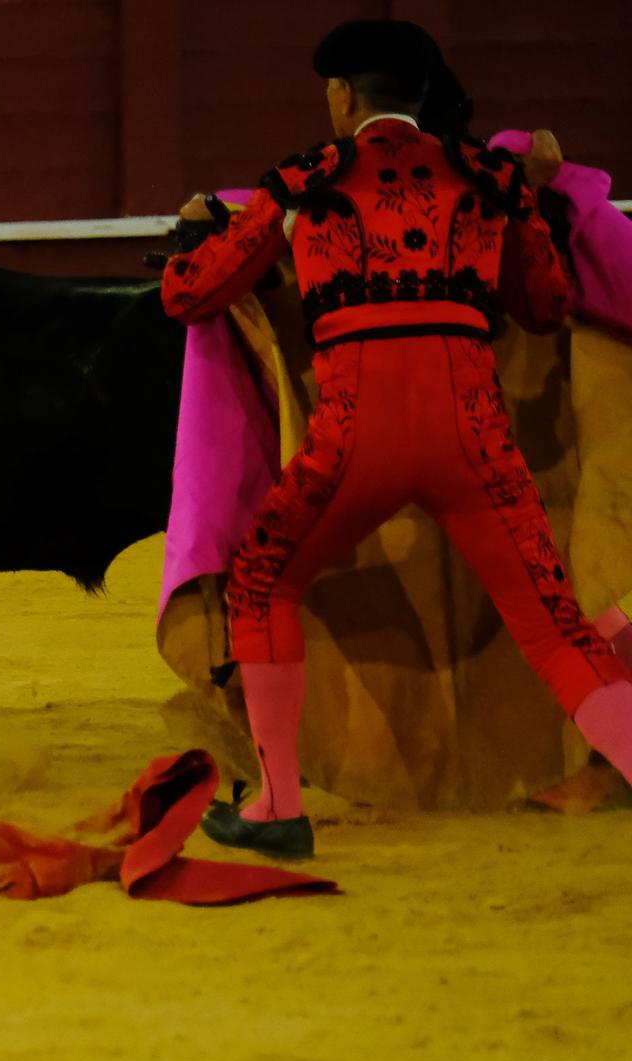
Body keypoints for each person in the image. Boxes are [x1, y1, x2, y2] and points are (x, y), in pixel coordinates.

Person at [160, 19, 632, 857]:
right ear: (420, 97)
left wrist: (192, 239)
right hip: (474, 438)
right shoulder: (490, 180)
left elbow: (193, 295)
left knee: (262, 584)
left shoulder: (310, 179)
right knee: (558, 628)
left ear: (344, 97)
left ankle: (276, 807)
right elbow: (547, 305)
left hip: (353, 437)